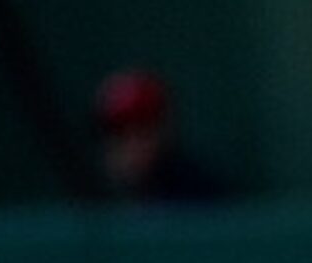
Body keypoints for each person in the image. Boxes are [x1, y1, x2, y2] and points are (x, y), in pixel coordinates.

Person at [93, 67, 230, 205]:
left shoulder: (197, 193)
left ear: (163, 131)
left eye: (141, 132)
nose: (131, 146)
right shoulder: (90, 194)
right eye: (119, 133)